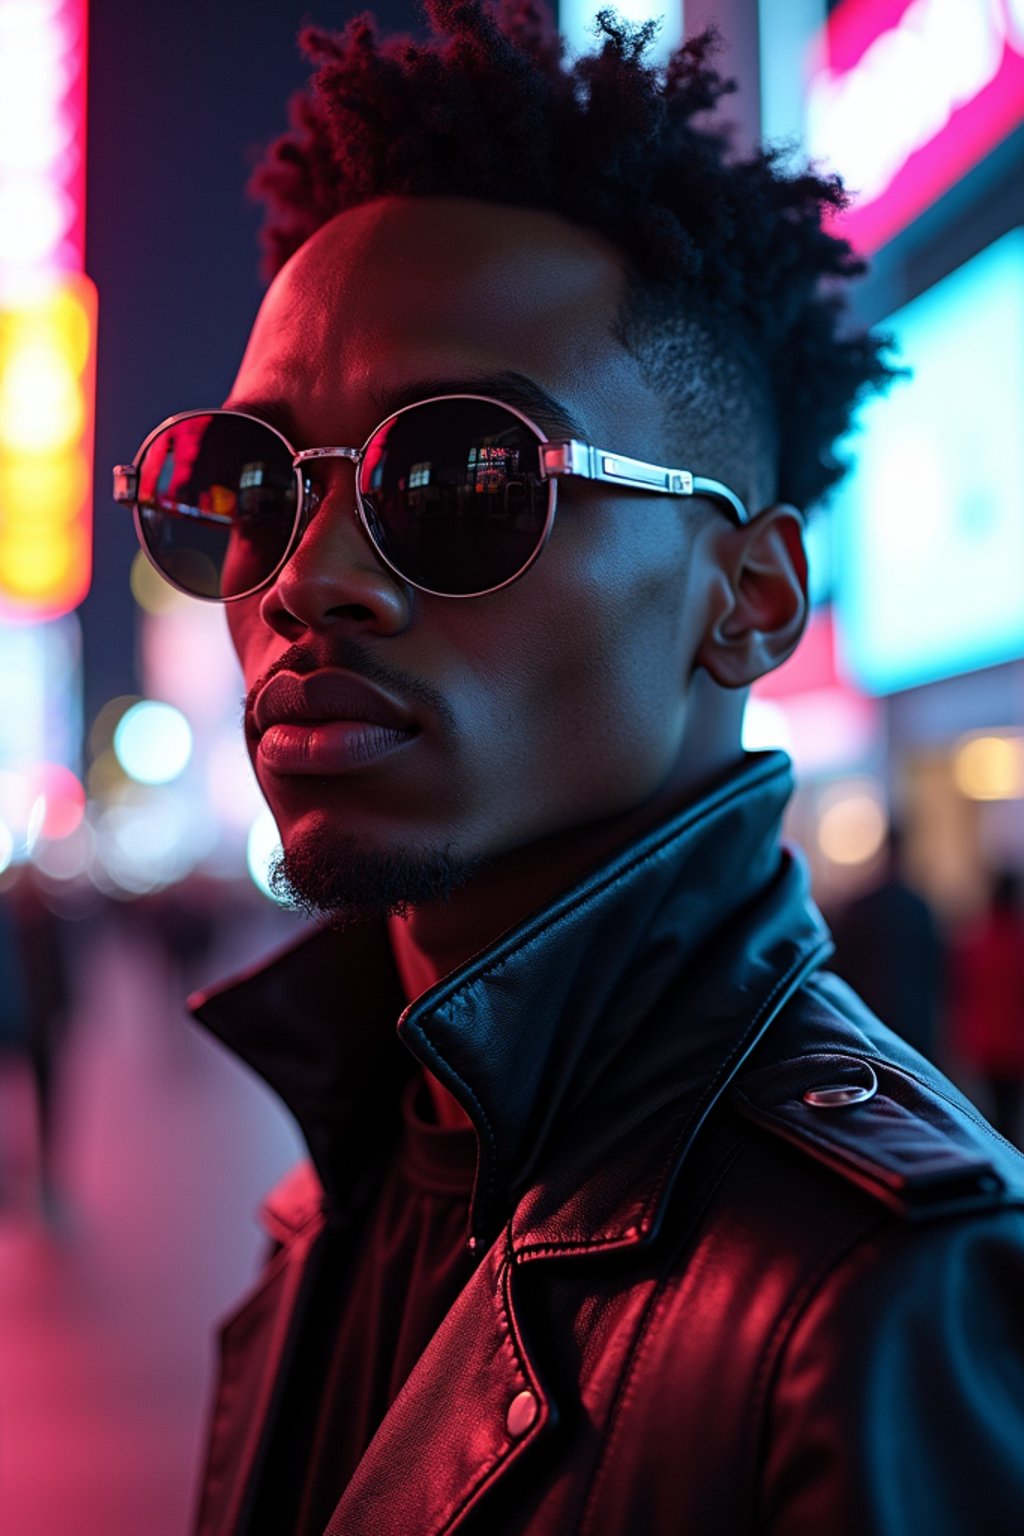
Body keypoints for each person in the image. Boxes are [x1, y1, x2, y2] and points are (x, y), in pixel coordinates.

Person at [112, 5, 1024, 1532]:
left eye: (457, 475)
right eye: (256, 487)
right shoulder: (342, 1168)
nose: (305, 580)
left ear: (749, 600)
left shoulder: (884, 1292)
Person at [830, 826, 944, 1062]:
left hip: (872, 1018)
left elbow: (843, 965)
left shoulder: (863, 906)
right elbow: (936, 967)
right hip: (915, 1018)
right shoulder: (919, 908)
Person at [950, 870, 1024, 1146]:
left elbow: (960, 990)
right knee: (1011, 1111)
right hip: (1015, 1044)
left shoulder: (975, 941)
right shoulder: (1018, 943)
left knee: (988, 1113)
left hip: (983, 1041)